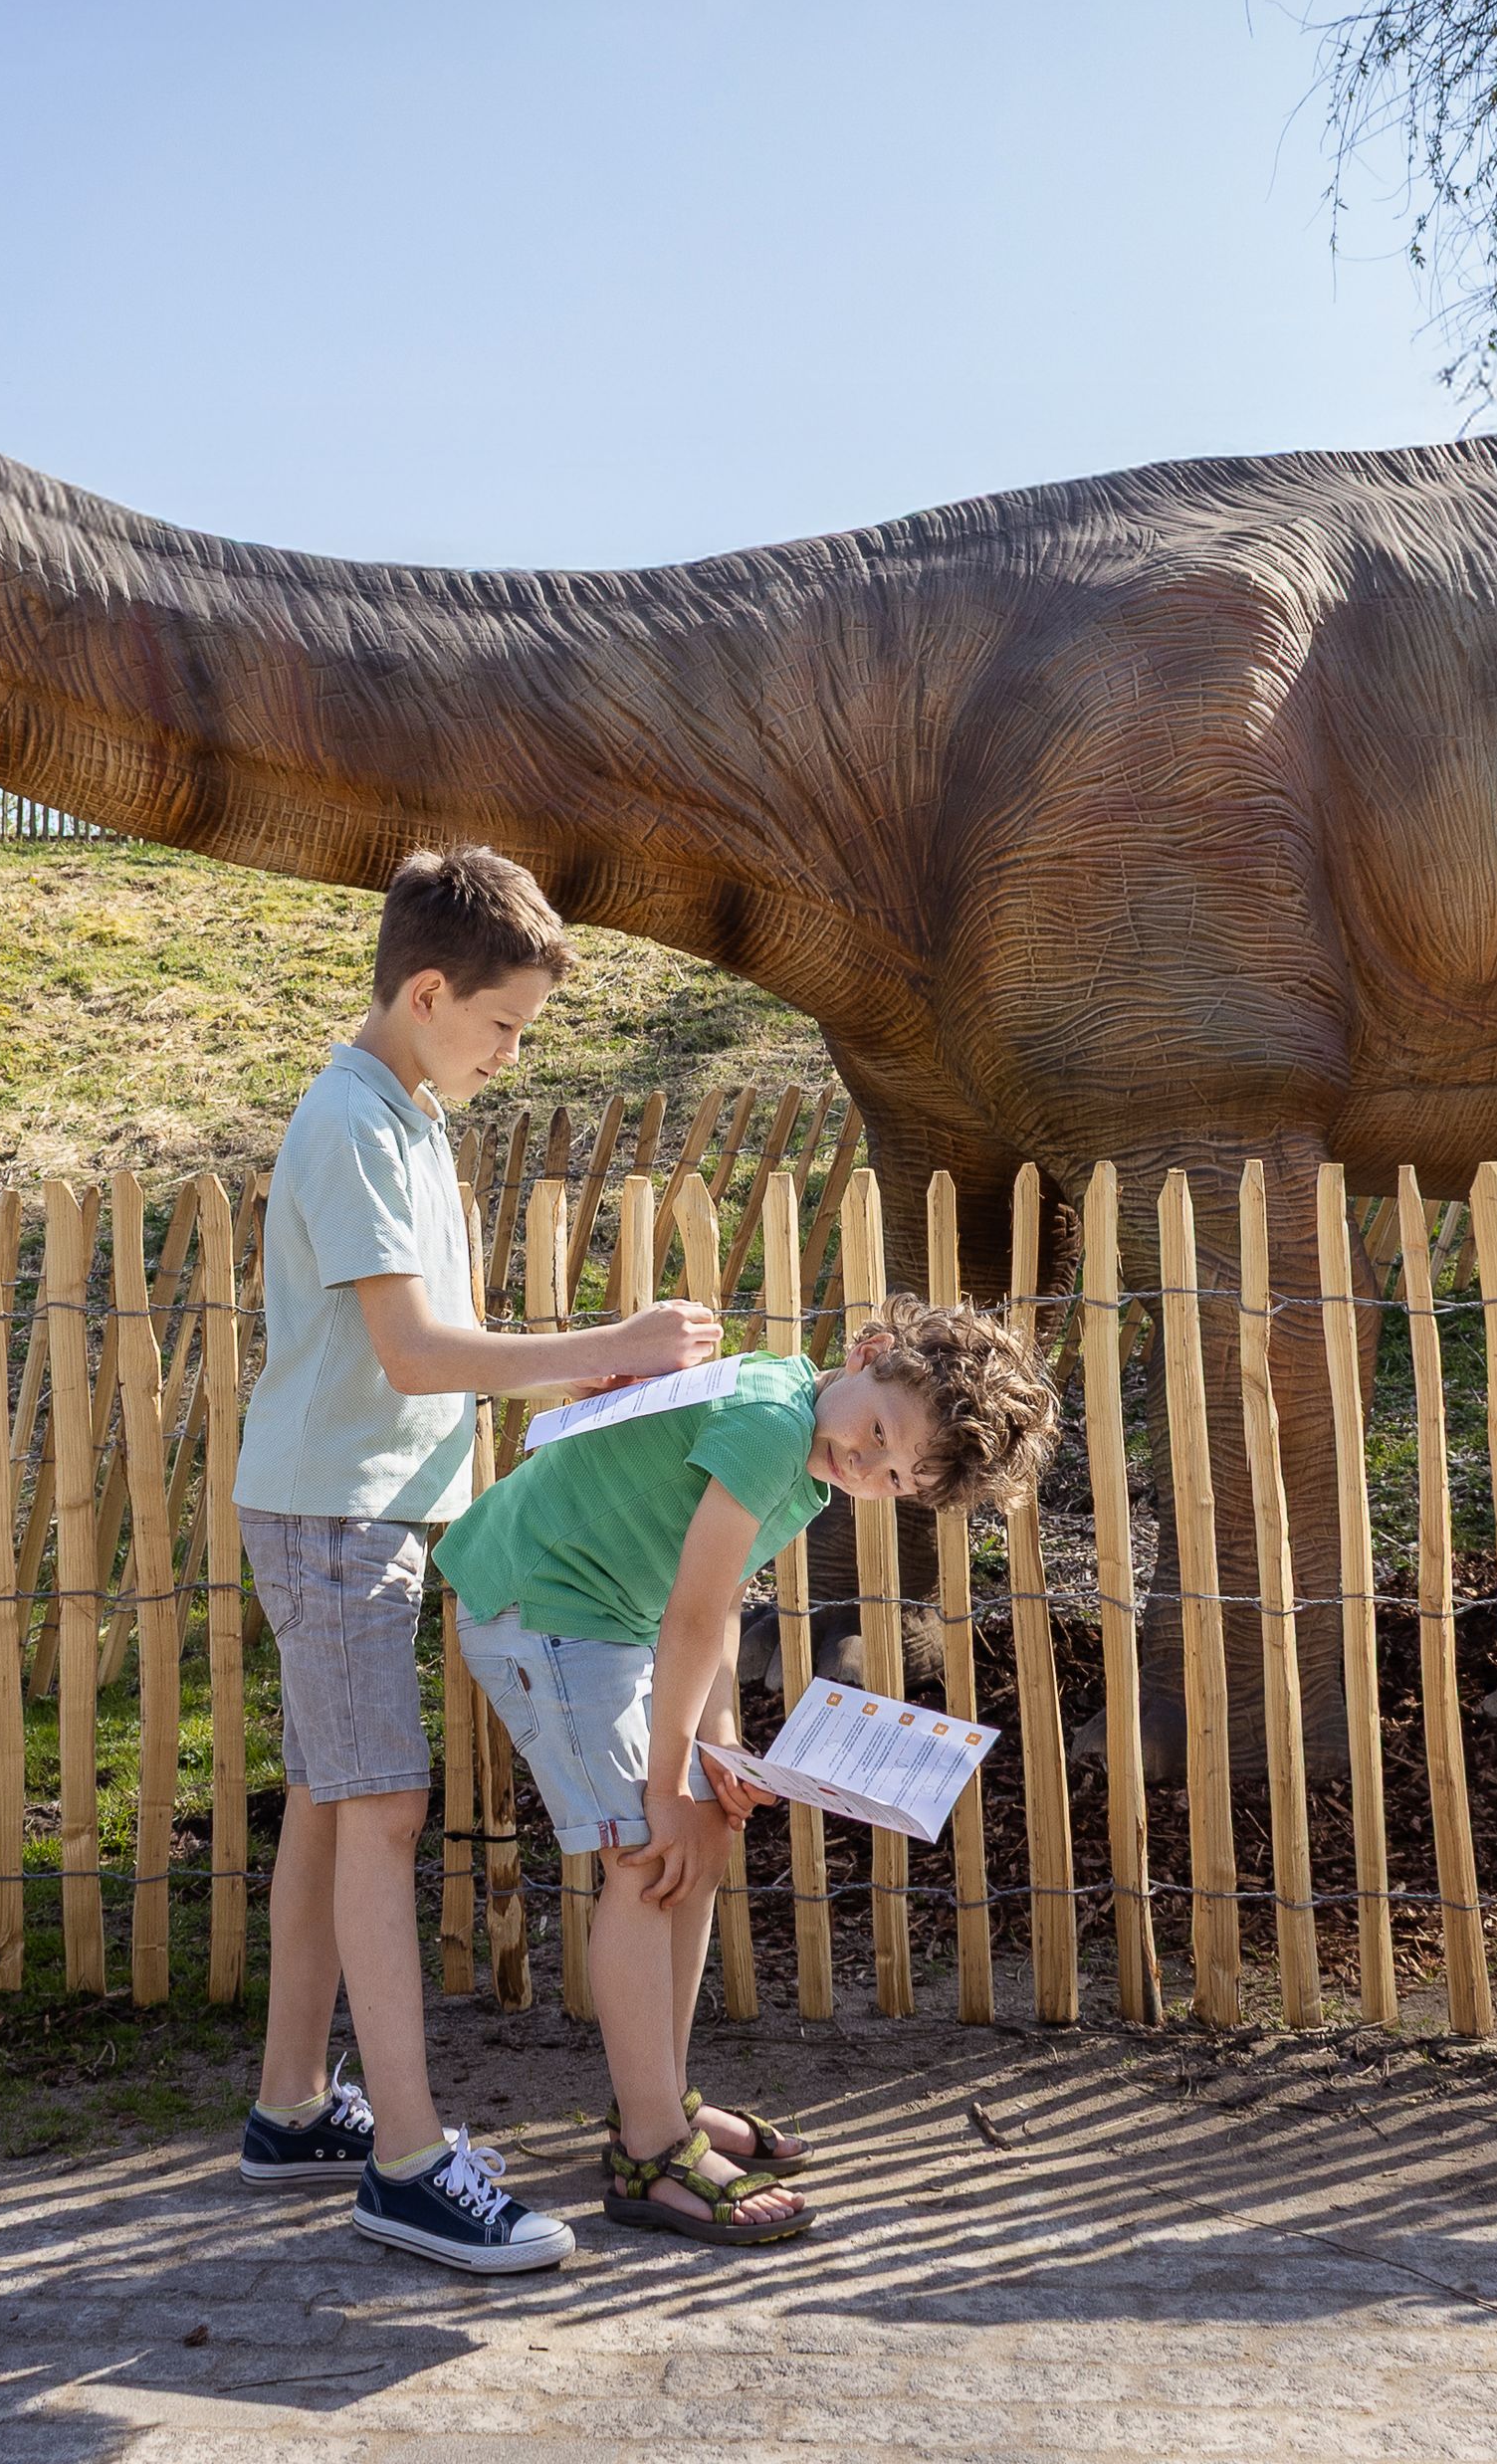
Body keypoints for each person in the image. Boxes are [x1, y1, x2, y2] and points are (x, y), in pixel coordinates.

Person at [233, 847, 724, 2274]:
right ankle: (403, 2161)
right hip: (338, 1515)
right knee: (384, 1812)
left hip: (367, 1504)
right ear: (431, 990)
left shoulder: (405, 1113)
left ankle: (289, 2109)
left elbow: (432, 1356)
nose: (512, 1053)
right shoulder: (354, 1125)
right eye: (504, 1025)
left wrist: (572, 1386)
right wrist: (609, 1349)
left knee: (335, 1806)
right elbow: (412, 1353)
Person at [435, 1296, 1060, 2245]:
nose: (871, 1466)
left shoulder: (804, 1449)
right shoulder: (773, 1426)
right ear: (870, 1351)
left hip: (609, 1613)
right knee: (648, 1854)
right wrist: (664, 1781)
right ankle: (649, 2152)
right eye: (880, 1432)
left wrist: (716, 1745)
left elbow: (720, 1601)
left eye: (898, 1476)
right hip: (545, 1601)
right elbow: (690, 1615)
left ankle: (662, 2105)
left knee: (705, 1831)